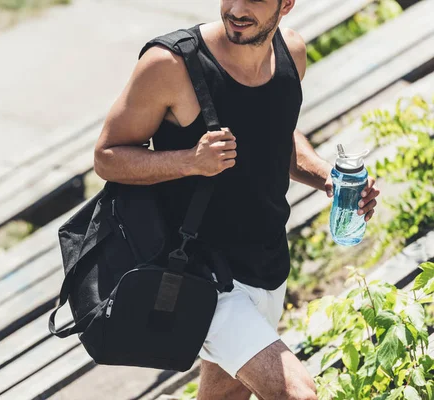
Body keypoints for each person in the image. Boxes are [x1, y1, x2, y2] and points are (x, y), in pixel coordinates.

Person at [93, 0, 381, 399]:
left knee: (226, 395)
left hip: (268, 263)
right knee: (298, 393)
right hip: (198, 273)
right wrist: (190, 161)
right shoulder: (170, 65)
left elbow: (278, 137)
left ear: (286, 5)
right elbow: (106, 158)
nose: (238, 8)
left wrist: (327, 179)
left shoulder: (291, 53)